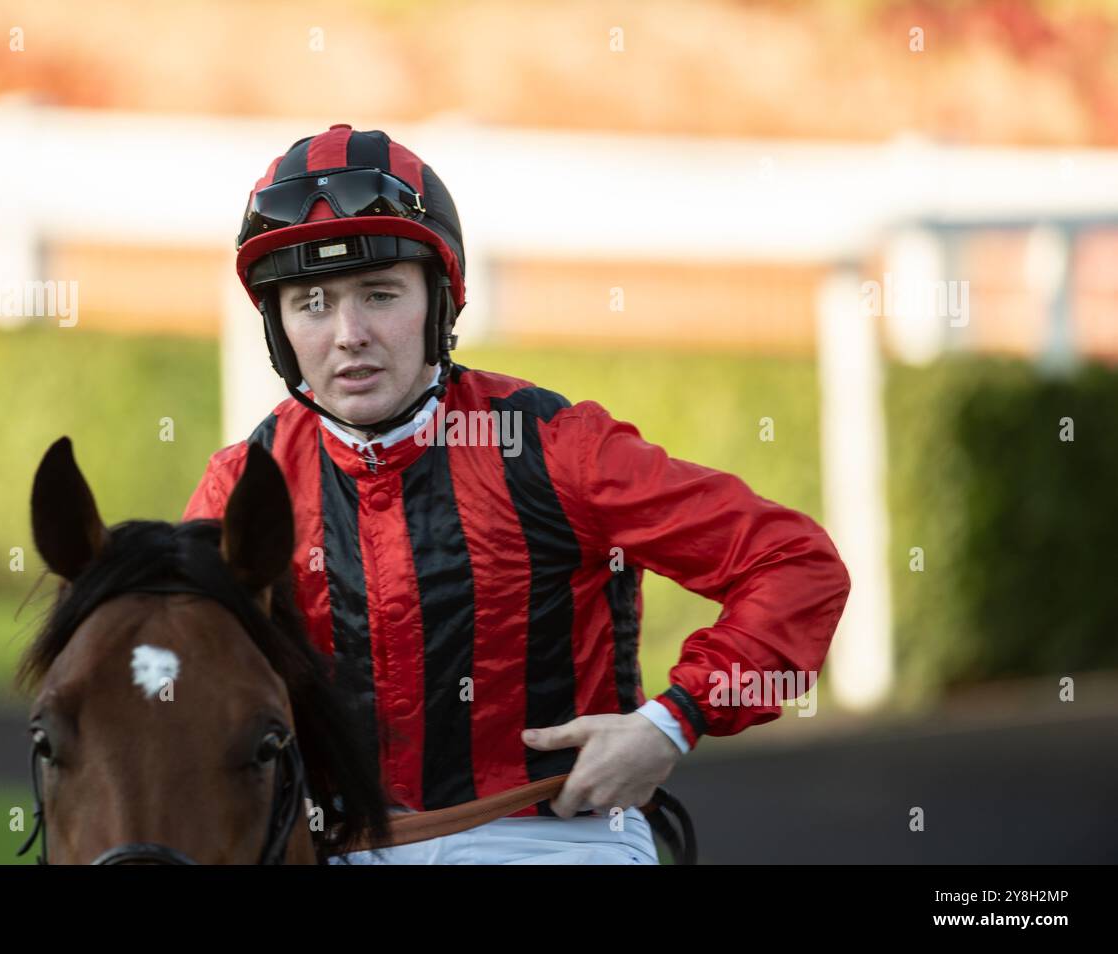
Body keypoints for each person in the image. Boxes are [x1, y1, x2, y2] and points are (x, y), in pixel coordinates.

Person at [183, 124, 852, 864]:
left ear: (441, 303)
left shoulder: (555, 448)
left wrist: (673, 721)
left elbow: (797, 564)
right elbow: (173, 673)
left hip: (553, 839)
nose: (348, 334)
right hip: (328, 844)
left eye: (379, 294)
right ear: (277, 327)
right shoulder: (243, 483)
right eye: (311, 303)